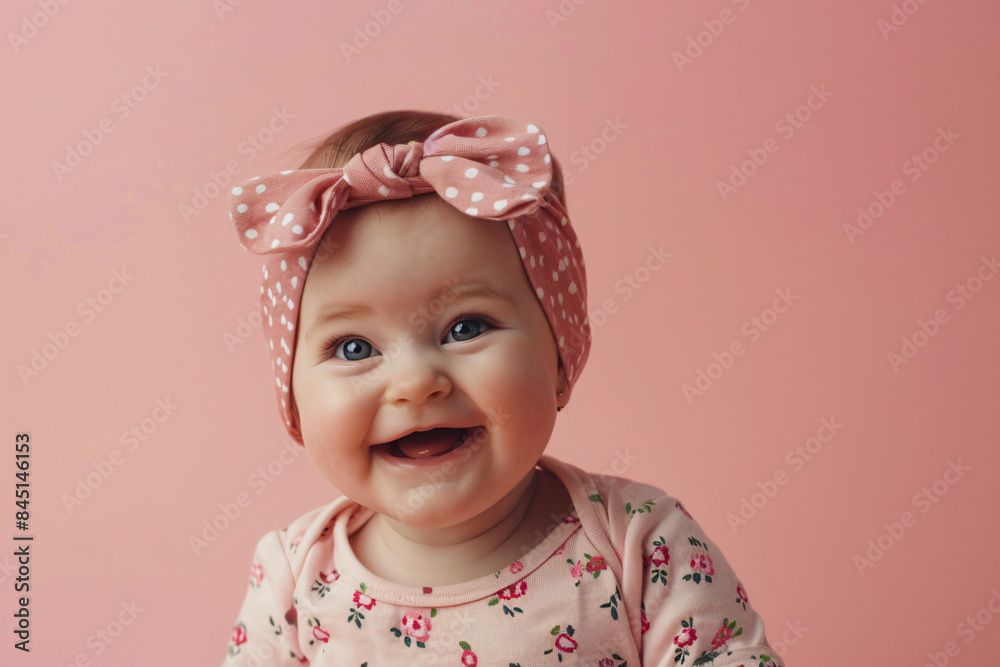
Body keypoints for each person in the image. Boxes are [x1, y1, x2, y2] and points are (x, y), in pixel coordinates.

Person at [219, 111, 784, 666]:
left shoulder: (638, 542)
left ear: (560, 356)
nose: (415, 384)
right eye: (354, 349)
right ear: (293, 396)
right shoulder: (294, 579)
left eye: (465, 328)